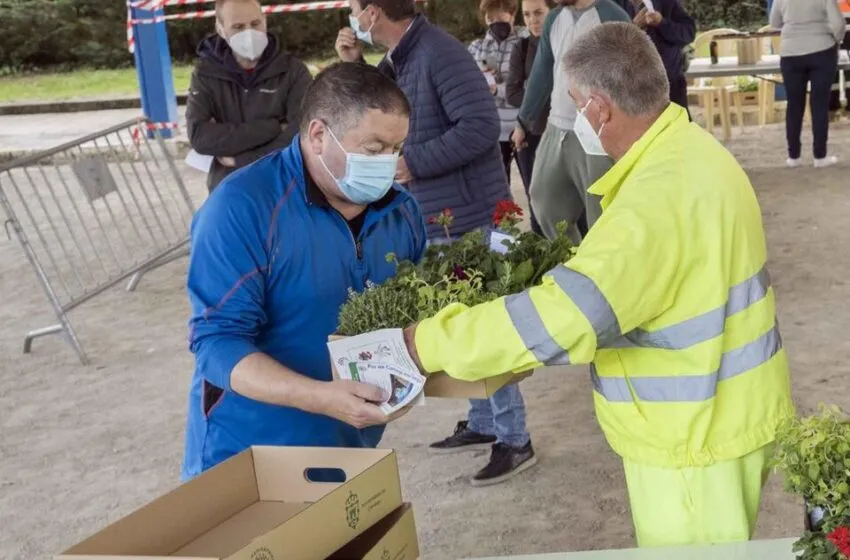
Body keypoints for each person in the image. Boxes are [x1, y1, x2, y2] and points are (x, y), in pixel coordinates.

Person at [401, 23, 795, 548]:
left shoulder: (653, 202)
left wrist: (425, 341)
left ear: (599, 110)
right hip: (728, 413)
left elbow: (563, 320)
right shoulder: (695, 153)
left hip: (692, 441)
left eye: (573, 104)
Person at [181, 62, 427, 480]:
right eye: (372, 150)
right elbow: (216, 343)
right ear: (317, 135)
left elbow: (412, 316)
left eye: (397, 149)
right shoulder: (242, 208)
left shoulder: (402, 211)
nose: (389, 164)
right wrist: (320, 397)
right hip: (249, 453)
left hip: (352, 445)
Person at [335, 0, 537, 487]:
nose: (352, 18)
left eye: (355, 9)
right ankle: (485, 423)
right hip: (439, 215)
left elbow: (482, 128)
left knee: (483, 323)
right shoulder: (402, 58)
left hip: (470, 215)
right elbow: (377, 111)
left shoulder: (439, 53)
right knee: (454, 318)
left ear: (375, 10)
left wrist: (411, 163)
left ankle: (516, 438)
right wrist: (351, 68)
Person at [511, 0, 631, 244]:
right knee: (543, 200)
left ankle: (606, 272)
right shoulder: (555, 18)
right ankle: (573, 265)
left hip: (597, 130)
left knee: (602, 212)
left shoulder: (611, 15)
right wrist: (523, 120)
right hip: (556, 126)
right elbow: (542, 72)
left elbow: (633, 73)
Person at [185, 0, 313, 192]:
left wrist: (241, 159)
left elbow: (300, 135)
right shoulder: (206, 73)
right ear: (220, 29)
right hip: (229, 190)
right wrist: (273, 127)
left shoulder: (293, 71)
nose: (249, 33)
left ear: (265, 21)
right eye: (238, 27)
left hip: (284, 187)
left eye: (255, 24)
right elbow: (200, 137)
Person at [770, 0, 845, 168]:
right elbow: (839, 24)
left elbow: (774, 22)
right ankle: (820, 156)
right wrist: (836, 40)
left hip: (791, 53)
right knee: (819, 104)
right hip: (822, 50)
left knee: (794, 105)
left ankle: (793, 157)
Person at [468, 0, 528, 185]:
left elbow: (529, 85)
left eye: (500, 15)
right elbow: (467, 84)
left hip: (522, 126)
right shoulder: (476, 48)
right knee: (499, 188)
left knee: (532, 185)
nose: (495, 21)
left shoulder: (525, 42)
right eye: (490, 17)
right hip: (492, 129)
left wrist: (496, 89)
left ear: (511, 14)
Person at [506, 0, 552, 236]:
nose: (533, 20)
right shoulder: (522, 47)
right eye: (526, 15)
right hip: (530, 134)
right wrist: (545, 97)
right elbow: (512, 94)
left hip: (563, 134)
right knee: (537, 204)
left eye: (538, 13)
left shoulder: (564, 41)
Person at [625, 0, 695, 115]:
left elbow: (688, 33)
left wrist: (662, 23)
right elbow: (609, 44)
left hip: (671, 85)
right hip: (630, 88)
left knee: (678, 128)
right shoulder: (612, 5)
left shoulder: (668, 2)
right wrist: (634, 26)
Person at [828, 0, 850, 114]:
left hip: (832, 22)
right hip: (833, 21)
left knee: (832, 66)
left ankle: (832, 106)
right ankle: (832, 106)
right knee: (833, 68)